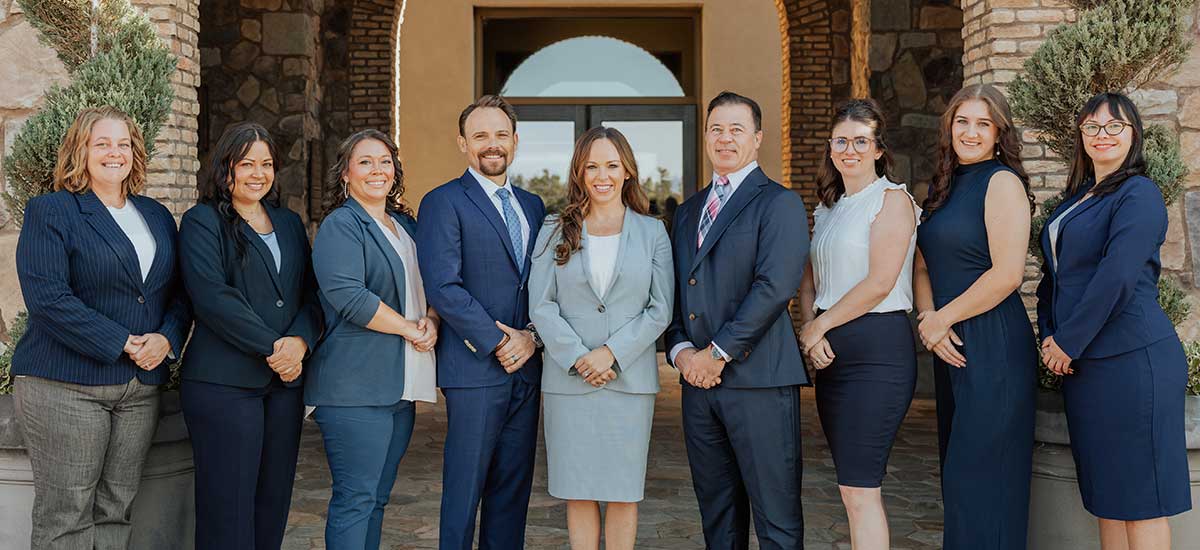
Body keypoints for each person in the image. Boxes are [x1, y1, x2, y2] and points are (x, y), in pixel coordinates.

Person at [12, 105, 191, 549]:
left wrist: (167, 336)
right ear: (81, 151)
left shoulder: (156, 215)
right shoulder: (52, 211)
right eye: (102, 143)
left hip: (138, 390)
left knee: (116, 511)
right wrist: (123, 342)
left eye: (124, 144)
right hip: (65, 385)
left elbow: (179, 294)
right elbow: (48, 299)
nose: (115, 153)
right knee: (66, 517)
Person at [1036, 92, 1191, 550]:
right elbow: (1054, 278)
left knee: (1141, 501)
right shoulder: (1075, 200)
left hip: (1133, 363)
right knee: (1107, 498)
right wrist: (1049, 335)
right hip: (1089, 368)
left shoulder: (1138, 194)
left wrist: (1068, 341)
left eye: (1114, 126)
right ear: (1081, 136)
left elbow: (1117, 276)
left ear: (1134, 135)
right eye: (1092, 127)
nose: (1102, 135)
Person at [666, 91, 809, 549]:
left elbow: (774, 288)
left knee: (777, 520)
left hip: (759, 383)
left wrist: (718, 353)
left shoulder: (779, 203)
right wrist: (684, 353)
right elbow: (675, 293)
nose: (724, 138)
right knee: (718, 518)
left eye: (736, 130)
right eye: (716, 129)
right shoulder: (688, 212)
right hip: (698, 387)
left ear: (757, 139)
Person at [178, 122, 322, 550]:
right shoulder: (202, 222)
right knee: (228, 509)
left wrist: (299, 342)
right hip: (223, 384)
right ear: (226, 168)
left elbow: (312, 295)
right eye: (246, 164)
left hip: (284, 385)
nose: (258, 173)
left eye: (266, 164)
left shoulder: (290, 223)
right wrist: (274, 347)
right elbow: (212, 298)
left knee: (272, 502)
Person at [528, 127, 674, 550]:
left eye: (611, 165)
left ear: (627, 170)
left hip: (628, 383)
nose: (602, 175)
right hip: (569, 383)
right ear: (579, 172)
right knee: (578, 490)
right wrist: (579, 358)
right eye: (592, 166)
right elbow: (541, 304)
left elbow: (660, 308)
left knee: (624, 493)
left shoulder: (653, 232)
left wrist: (610, 353)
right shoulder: (555, 228)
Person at [416, 94, 546, 550]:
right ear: (462, 143)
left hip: (526, 370)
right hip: (474, 370)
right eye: (480, 136)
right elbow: (443, 287)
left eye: (501, 135)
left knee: (512, 492)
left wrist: (530, 340)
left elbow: (544, 287)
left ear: (515, 141)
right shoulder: (443, 202)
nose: (492, 145)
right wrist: (497, 341)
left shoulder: (534, 206)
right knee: (464, 491)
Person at [914, 84, 1036, 549]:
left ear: (998, 132)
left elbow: (1006, 274)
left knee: (982, 480)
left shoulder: (1001, 182)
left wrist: (942, 319)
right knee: (958, 480)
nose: (970, 131)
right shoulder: (944, 185)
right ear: (949, 126)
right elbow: (922, 264)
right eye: (962, 121)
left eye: (983, 124)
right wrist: (929, 320)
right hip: (947, 342)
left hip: (993, 343)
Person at [307, 129, 439, 550]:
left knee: (377, 499)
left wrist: (432, 320)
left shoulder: (404, 225)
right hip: (354, 390)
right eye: (365, 162)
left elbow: (429, 286)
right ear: (345, 173)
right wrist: (408, 328)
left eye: (384, 161)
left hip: (399, 385)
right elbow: (349, 297)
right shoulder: (341, 225)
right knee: (356, 499)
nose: (377, 170)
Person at [798, 98, 919, 550]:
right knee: (851, 489)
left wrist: (817, 328)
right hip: (832, 352)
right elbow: (808, 281)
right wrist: (812, 328)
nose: (850, 149)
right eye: (842, 140)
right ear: (831, 147)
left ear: (878, 149)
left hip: (878, 351)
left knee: (862, 487)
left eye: (861, 141)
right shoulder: (828, 209)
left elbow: (880, 282)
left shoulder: (892, 200)